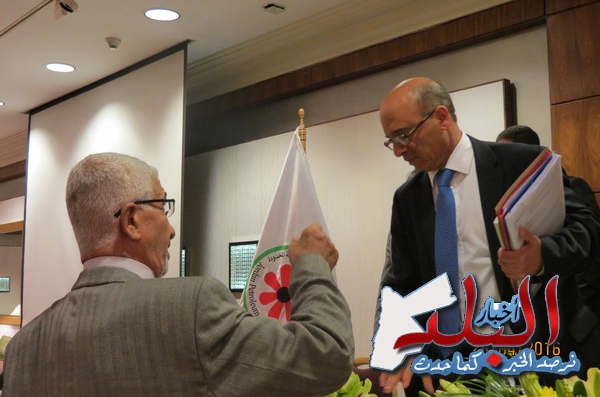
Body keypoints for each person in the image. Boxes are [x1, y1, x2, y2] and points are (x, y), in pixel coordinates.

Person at [1, 152, 354, 397]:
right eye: (162, 205)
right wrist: (312, 265)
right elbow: (327, 356)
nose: (171, 230)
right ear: (131, 220)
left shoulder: (22, 349)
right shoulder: (192, 308)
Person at [375, 78, 600, 396]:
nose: (398, 150)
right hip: (456, 372)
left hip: (540, 358)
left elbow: (588, 231)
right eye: (391, 141)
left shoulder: (522, 163)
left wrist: (541, 256)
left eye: (404, 135)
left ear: (441, 117)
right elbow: (402, 284)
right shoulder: (408, 198)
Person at [497, 124, 600, 371]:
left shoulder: (572, 187)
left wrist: (582, 313)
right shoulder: (507, 202)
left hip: (575, 322)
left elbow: (591, 246)